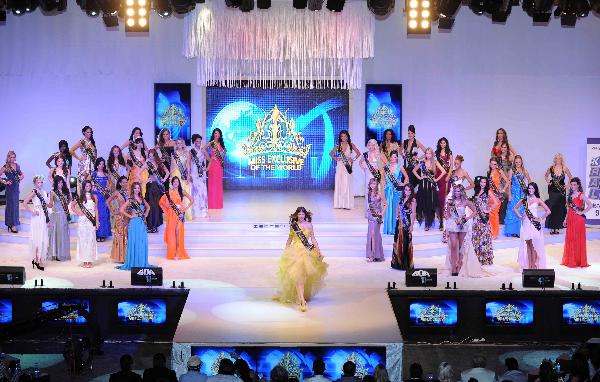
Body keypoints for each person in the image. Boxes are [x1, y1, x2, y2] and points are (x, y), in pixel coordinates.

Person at [277, 207, 328, 312]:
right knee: (298, 277)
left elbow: (313, 238)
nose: (301, 216)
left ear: (305, 215)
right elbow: (289, 239)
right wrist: (286, 250)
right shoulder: (294, 226)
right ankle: (302, 300)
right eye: (299, 214)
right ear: (296, 215)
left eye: (302, 214)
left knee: (304, 277)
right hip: (296, 252)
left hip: (308, 252)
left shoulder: (309, 225)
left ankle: (301, 295)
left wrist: (318, 250)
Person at [445, 185, 480, 276]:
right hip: (453, 224)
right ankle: (453, 267)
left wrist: (467, 218)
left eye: (459, 191)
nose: (457, 193)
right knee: (453, 245)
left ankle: (459, 264)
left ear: (462, 192)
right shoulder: (450, 202)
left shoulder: (466, 201)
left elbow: (475, 211)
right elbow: (447, 215)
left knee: (461, 246)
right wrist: (447, 225)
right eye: (456, 191)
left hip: (463, 225)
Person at [514, 182, 551, 269]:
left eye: (532, 188)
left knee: (534, 245)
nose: (530, 190)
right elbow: (515, 208)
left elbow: (548, 211)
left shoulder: (538, 200)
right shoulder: (524, 200)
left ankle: (534, 265)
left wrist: (541, 218)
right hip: (526, 223)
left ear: (535, 190)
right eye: (529, 188)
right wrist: (520, 216)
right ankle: (529, 265)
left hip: (534, 224)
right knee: (528, 245)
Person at [117, 182, 152, 271]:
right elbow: (121, 210)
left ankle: (141, 263)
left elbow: (148, 207)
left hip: (141, 223)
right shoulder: (130, 200)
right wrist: (130, 216)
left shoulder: (142, 199)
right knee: (134, 242)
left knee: (141, 242)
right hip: (134, 223)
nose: (137, 189)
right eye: (135, 188)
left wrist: (146, 214)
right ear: (133, 189)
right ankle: (134, 263)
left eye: (138, 188)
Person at [159, 177, 193, 260]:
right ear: (172, 183)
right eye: (174, 182)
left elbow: (191, 200)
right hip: (172, 214)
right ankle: (173, 252)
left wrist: (185, 208)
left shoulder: (182, 191)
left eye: (177, 181)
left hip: (180, 214)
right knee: (172, 233)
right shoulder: (169, 193)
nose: (175, 183)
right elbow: (161, 201)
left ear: (179, 183)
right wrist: (167, 206)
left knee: (178, 231)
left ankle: (178, 252)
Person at [413, 148, 446, 231]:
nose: (428, 155)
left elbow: (444, 171)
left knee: (435, 204)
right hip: (423, 185)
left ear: (432, 154)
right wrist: (420, 177)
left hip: (431, 186)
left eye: (429, 153)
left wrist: (436, 179)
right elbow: (414, 170)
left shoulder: (435, 162)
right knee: (425, 204)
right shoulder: (422, 163)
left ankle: (441, 221)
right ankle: (427, 223)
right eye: (427, 153)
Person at [562, 177, 592, 268]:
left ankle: (578, 261)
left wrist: (581, 212)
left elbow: (590, 205)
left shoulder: (581, 195)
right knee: (571, 239)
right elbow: (568, 209)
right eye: (571, 184)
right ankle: (572, 259)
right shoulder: (570, 196)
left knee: (577, 239)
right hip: (571, 219)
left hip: (578, 220)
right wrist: (565, 219)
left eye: (574, 184)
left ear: (578, 185)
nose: (572, 186)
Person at [22, 175, 50, 271]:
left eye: (41, 182)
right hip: (37, 217)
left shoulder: (45, 192)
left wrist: (48, 219)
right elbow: (24, 202)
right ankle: (37, 259)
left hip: (44, 215)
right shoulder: (34, 192)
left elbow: (46, 206)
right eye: (38, 182)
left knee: (43, 237)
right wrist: (32, 211)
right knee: (37, 237)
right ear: (35, 183)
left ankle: (40, 258)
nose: (40, 184)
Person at [70, 180, 99, 268]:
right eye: (86, 186)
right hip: (83, 220)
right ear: (84, 187)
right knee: (83, 239)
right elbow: (72, 205)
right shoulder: (80, 197)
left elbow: (96, 210)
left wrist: (97, 221)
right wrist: (78, 212)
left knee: (90, 239)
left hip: (91, 220)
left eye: (89, 186)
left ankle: (89, 260)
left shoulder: (94, 196)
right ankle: (84, 260)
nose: (88, 188)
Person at [330, 130, 361, 210]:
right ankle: (339, 204)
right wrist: (336, 158)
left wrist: (353, 159)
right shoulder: (338, 145)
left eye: (345, 136)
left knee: (346, 183)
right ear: (340, 137)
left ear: (348, 137)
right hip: (340, 165)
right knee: (339, 182)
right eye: (342, 136)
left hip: (347, 166)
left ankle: (347, 204)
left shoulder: (351, 145)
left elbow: (358, 153)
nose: (344, 138)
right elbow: (331, 154)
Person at [545, 153, 573, 235]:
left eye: (559, 158)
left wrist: (567, 186)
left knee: (559, 209)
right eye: (556, 158)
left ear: (561, 159)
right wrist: (548, 182)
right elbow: (546, 176)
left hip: (561, 191)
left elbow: (571, 178)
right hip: (552, 190)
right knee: (552, 208)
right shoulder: (551, 168)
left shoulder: (564, 168)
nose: (557, 160)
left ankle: (557, 227)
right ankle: (551, 227)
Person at [381, 150, 409, 234]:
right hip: (388, 191)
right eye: (392, 157)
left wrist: (403, 184)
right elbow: (383, 178)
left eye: (395, 157)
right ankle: (388, 229)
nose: (393, 158)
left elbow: (407, 177)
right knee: (388, 208)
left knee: (396, 209)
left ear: (397, 158)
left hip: (397, 191)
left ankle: (395, 229)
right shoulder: (386, 167)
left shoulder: (400, 166)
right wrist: (385, 186)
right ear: (390, 157)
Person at [471, 176, 496, 266]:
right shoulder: (477, 191)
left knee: (484, 237)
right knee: (477, 237)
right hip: (477, 217)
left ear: (486, 183)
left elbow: (496, 202)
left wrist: (488, 210)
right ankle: (477, 258)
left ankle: (484, 259)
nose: (482, 184)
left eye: (484, 182)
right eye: (481, 182)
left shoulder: (488, 191)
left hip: (484, 218)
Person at [504, 155, 531, 237]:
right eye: (516, 162)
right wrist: (509, 194)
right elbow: (509, 183)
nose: (517, 163)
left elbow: (529, 180)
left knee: (521, 210)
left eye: (519, 162)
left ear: (521, 162)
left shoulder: (524, 171)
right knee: (513, 210)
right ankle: (514, 231)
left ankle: (520, 231)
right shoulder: (512, 170)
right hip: (514, 193)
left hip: (522, 193)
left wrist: (528, 191)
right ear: (514, 163)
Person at [391, 184, 416, 270]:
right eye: (406, 189)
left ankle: (405, 264)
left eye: (409, 190)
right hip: (399, 223)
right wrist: (397, 216)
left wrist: (412, 225)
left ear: (411, 191)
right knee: (397, 240)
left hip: (406, 222)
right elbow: (397, 208)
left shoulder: (412, 200)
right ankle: (397, 263)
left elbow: (413, 213)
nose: (407, 191)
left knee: (405, 241)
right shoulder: (401, 199)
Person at [47, 175, 71, 262]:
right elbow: (50, 204)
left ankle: (62, 254)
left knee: (63, 234)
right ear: (56, 183)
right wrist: (42, 204)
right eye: (59, 182)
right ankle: (55, 254)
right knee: (56, 234)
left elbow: (68, 201)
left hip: (63, 215)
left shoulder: (65, 191)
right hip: (56, 215)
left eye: (61, 182)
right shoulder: (53, 192)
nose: (60, 184)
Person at [145, 149, 169, 233]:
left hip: (158, 187)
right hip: (150, 187)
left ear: (155, 155)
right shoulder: (147, 164)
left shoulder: (160, 163)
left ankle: (155, 226)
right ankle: (150, 226)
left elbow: (167, 172)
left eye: (152, 156)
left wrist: (163, 179)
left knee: (156, 206)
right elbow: (138, 173)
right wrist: (146, 180)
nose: (150, 158)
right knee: (150, 205)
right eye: (149, 156)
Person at [106, 176, 129, 263]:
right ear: (119, 183)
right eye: (123, 182)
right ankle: (121, 257)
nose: (125, 184)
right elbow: (107, 202)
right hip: (120, 216)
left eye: (126, 182)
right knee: (121, 235)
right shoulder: (117, 193)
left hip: (128, 215)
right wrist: (113, 211)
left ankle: (127, 256)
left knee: (127, 235)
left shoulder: (129, 192)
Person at [202, 128, 226, 210]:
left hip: (219, 166)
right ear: (213, 134)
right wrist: (209, 158)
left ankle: (218, 204)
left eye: (218, 133)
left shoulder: (221, 144)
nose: (217, 135)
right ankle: (212, 204)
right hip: (213, 165)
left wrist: (224, 152)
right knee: (212, 184)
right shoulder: (211, 143)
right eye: (215, 133)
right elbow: (203, 149)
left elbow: (222, 157)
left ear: (220, 135)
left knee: (218, 184)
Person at [0, 151, 24, 233]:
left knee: (16, 206)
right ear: (8, 157)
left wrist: (21, 177)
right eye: (11, 157)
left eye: (14, 157)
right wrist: (4, 182)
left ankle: (14, 223)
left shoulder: (17, 165)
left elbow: (22, 174)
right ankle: (11, 225)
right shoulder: (6, 166)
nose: (13, 159)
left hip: (16, 188)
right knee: (10, 206)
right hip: (10, 189)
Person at [360, 139, 385, 214]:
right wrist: (363, 168)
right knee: (368, 192)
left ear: (375, 146)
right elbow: (360, 162)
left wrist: (381, 170)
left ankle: (377, 211)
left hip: (376, 176)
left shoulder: (378, 154)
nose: (371, 146)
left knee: (377, 192)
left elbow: (387, 164)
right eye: (369, 145)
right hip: (368, 176)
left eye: (373, 145)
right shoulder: (365, 154)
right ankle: (369, 211)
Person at [70, 126, 97, 193]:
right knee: (84, 182)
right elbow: (71, 150)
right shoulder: (82, 141)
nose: (89, 133)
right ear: (84, 132)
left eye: (90, 132)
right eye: (87, 132)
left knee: (91, 183)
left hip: (92, 165)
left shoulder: (92, 142)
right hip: (84, 165)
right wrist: (79, 158)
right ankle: (82, 198)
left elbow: (95, 155)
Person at [171, 137, 192, 220]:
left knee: (184, 192)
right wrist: (170, 177)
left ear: (183, 144)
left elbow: (188, 165)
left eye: (181, 143)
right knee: (175, 194)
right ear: (176, 144)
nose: (179, 145)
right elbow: (172, 165)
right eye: (178, 143)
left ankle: (185, 212)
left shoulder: (187, 153)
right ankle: (175, 212)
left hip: (183, 175)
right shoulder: (173, 153)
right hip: (175, 174)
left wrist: (188, 175)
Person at [488, 157, 509, 239]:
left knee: (495, 214)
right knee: (490, 214)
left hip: (496, 196)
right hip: (490, 196)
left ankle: (495, 233)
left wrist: (503, 190)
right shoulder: (489, 172)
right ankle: (491, 232)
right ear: (490, 164)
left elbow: (507, 181)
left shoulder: (499, 171)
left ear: (497, 164)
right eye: (492, 164)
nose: (493, 165)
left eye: (495, 164)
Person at [366, 178, 386, 262]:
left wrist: (382, 213)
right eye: (371, 183)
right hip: (370, 216)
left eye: (374, 183)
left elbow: (385, 204)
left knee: (374, 234)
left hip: (377, 217)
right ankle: (377, 255)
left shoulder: (379, 193)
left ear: (376, 184)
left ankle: (373, 256)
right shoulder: (369, 193)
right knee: (371, 235)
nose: (372, 185)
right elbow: (369, 205)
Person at [92, 157, 112, 242]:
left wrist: (108, 188)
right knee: (97, 214)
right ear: (97, 165)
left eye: (103, 164)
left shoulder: (106, 174)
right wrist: (93, 188)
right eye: (100, 164)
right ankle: (97, 234)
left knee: (104, 214)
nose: (102, 165)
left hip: (104, 196)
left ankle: (103, 234)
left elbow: (110, 183)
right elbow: (88, 183)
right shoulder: (94, 174)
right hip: (96, 196)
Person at [435, 138, 453, 231]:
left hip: (446, 177)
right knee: (439, 199)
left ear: (446, 143)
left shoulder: (449, 152)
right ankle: (440, 220)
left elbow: (451, 166)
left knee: (445, 198)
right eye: (441, 143)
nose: (443, 144)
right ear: (439, 144)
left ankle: (446, 219)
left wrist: (449, 176)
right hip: (438, 176)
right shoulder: (436, 153)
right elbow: (435, 165)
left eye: (444, 143)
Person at [190, 134, 209, 219]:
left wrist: (207, 168)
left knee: (202, 191)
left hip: (201, 172)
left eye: (200, 141)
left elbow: (210, 159)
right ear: (194, 142)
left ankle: (203, 211)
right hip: (194, 172)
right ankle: (195, 211)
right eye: (197, 141)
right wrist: (189, 173)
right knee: (195, 191)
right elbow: (189, 163)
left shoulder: (203, 150)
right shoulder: (191, 151)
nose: (199, 143)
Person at [497, 142, 514, 224]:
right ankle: (500, 218)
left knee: (507, 198)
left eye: (505, 147)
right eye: (502, 147)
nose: (503, 149)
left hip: (507, 179)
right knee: (501, 198)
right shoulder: (498, 158)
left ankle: (504, 218)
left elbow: (511, 169)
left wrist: (509, 178)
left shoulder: (509, 158)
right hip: (500, 179)